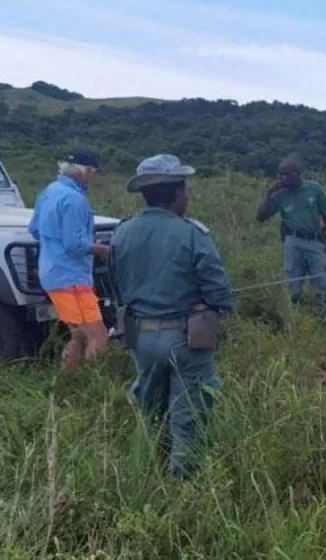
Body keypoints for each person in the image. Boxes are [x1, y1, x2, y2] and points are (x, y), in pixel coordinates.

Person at [109, 153, 234, 481]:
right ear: (177, 193)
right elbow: (219, 291)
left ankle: (151, 470)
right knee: (189, 413)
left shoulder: (121, 233)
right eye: (185, 189)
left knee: (152, 408)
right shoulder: (192, 234)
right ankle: (183, 484)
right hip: (186, 341)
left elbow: (115, 283)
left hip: (141, 338)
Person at [27, 148, 110, 373]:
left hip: (52, 274)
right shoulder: (75, 200)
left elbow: (34, 229)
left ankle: (68, 383)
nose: (95, 178)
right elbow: (75, 247)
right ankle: (91, 385)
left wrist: (53, 246)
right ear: (85, 171)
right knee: (97, 337)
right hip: (72, 278)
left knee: (78, 334)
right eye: (94, 173)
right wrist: (100, 250)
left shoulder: (49, 191)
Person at [256, 155, 326, 322]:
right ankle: (294, 318)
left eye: (286, 175)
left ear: (297, 174)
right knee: (293, 284)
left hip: (315, 241)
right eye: (280, 175)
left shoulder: (314, 189)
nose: (282, 179)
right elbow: (261, 217)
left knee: (323, 282)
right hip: (292, 242)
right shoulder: (280, 195)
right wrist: (268, 194)